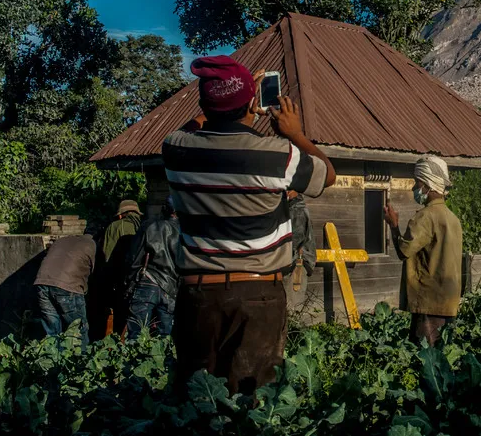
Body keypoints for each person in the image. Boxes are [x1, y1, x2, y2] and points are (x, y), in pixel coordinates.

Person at [163, 55, 336, 395]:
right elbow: (327, 174)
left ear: (204, 104)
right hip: (258, 296)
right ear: (251, 103)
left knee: (197, 404)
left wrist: (229, 100)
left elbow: (194, 124)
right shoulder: (276, 154)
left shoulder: (176, 149)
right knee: (251, 404)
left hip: (198, 295)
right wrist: (295, 133)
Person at [384, 156, 463, 345]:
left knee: (423, 359)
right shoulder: (453, 219)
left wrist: (394, 226)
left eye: (417, 183)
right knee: (441, 358)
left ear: (428, 185)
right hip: (448, 302)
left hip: (428, 301)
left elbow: (404, 251)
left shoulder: (425, 217)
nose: (414, 188)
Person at [124, 195, 182, 339]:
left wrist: (129, 282)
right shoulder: (184, 233)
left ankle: (134, 361)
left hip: (147, 282)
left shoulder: (151, 227)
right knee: (165, 337)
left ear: (165, 209)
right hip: (171, 288)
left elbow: (134, 258)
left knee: (136, 333)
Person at [33, 232, 98, 351]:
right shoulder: (92, 245)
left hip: (41, 283)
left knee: (52, 331)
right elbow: (93, 274)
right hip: (67, 287)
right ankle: (80, 363)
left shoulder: (63, 240)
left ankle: (52, 364)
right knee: (78, 329)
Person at [101, 200, 143, 336]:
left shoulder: (116, 226)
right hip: (143, 280)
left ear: (120, 215)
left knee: (119, 315)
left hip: (120, 279)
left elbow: (106, 255)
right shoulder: (145, 226)